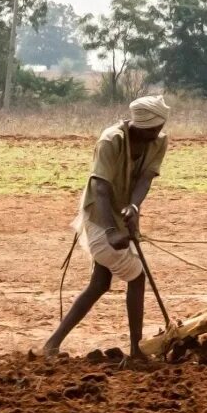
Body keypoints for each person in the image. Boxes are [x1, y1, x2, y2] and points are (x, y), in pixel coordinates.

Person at [42, 96, 171, 359]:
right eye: (155, 128)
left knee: (99, 283)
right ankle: (136, 350)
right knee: (137, 277)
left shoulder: (158, 141)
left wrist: (133, 208)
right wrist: (112, 231)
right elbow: (100, 187)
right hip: (99, 216)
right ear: (142, 125)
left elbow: (146, 178)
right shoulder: (111, 140)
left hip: (123, 213)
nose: (159, 132)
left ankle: (52, 344)